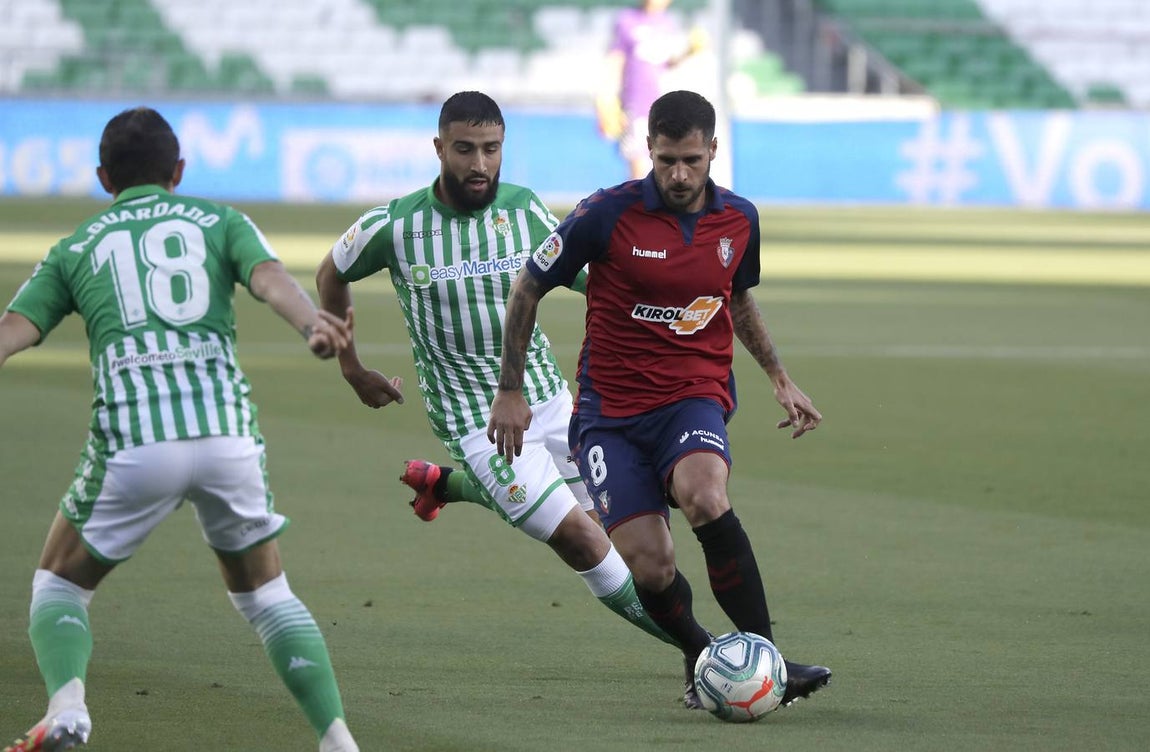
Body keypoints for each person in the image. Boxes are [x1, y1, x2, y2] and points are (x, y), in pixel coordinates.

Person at [314, 90, 709, 707]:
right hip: (478, 421)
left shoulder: (523, 211)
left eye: (491, 150)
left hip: (551, 402)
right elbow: (330, 273)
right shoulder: (394, 226)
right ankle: (704, 653)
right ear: (439, 147)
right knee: (584, 542)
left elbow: (591, 279)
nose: (479, 164)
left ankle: (448, 485)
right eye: (465, 149)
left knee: (635, 536)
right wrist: (350, 366)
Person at [0, 107, 360, 752]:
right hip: (227, 437)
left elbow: (14, 332)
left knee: (59, 584)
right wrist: (311, 322)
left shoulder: (76, 246)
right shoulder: (220, 221)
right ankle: (337, 740)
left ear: (103, 177)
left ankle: (67, 709)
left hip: (135, 443)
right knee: (267, 595)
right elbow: (269, 278)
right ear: (180, 170)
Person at [489, 89, 833, 709]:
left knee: (705, 494)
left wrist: (779, 377)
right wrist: (510, 388)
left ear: (713, 153)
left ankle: (767, 663)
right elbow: (527, 288)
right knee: (649, 566)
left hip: (691, 396)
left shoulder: (739, 220)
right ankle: (704, 658)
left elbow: (738, 298)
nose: (679, 174)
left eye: (692, 161)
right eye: (667, 159)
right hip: (609, 418)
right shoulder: (604, 214)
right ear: (648, 149)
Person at [596, 0, 705, 180]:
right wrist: (607, 96)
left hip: (662, 105)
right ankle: (638, 206)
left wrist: (689, 51)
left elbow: (667, 62)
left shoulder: (667, 23)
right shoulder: (627, 20)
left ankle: (655, 206)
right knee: (638, 163)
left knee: (662, 164)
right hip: (635, 103)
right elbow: (616, 59)